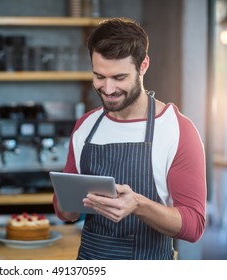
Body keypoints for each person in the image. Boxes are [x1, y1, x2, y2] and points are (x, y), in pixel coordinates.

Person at [53, 18, 207, 260]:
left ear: (143, 65)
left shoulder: (177, 129)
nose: (108, 88)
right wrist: (67, 204)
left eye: (119, 77)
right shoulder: (86, 126)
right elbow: (66, 212)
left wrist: (138, 205)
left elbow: (194, 225)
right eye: (99, 76)